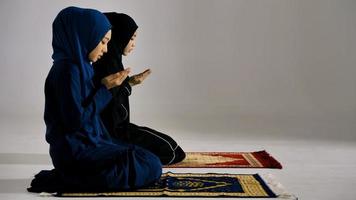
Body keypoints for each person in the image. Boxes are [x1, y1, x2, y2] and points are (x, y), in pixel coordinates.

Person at [27, 7, 161, 193]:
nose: (105, 49)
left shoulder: (81, 68)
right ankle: (78, 178)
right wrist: (105, 88)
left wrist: (118, 86)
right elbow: (75, 122)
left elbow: (87, 113)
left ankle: (84, 176)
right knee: (149, 164)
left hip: (87, 145)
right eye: (103, 42)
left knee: (147, 158)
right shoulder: (68, 72)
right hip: (75, 153)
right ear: (83, 36)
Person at [93, 13, 186, 166]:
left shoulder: (113, 61)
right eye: (132, 38)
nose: (134, 44)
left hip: (120, 128)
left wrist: (130, 83)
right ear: (120, 36)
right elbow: (108, 107)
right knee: (170, 152)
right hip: (113, 133)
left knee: (173, 148)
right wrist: (125, 85)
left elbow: (115, 97)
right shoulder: (107, 64)